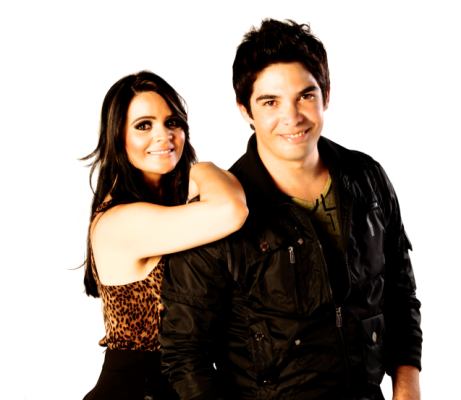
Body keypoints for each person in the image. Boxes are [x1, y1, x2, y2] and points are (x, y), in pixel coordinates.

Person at [159, 19, 422, 400]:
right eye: (270, 102)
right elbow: (185, 355)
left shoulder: (368, 178)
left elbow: (400, 293)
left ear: (326, 95)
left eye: (305, 96)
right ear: (245, 110)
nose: (292, 117)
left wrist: (408, 388)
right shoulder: (215, 214)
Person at [81, 70, 248, 400]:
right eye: (144, 125)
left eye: (172, 123)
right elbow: (231, 209)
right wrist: (201, 168)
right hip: (136, 388)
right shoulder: (119, 220)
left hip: (181, 383)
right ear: (117, 137)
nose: (164, 135)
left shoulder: (167, 211)